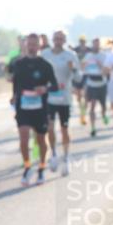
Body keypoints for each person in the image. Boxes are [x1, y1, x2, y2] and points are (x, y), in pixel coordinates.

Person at [10, 33, 59, 186]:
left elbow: (55, 86)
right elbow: (16, 83)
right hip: (23, 106)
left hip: (40, 107)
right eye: (29, 44)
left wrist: (45, 88)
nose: (31, 47)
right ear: (26, 45)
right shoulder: (19, 64)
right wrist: (14, 96)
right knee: (23, 138)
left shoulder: (45, 65)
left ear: (39, 45)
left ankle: (41, 168)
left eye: (34, 44)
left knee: (41, 140)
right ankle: (27, 167)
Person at [41, 29, 81, 174]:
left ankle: (66, 156)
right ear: (53, 40)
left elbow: (78, 78)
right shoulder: (45, 55)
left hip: (65, 98)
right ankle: (53, 154)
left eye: (61, 39)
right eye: (56, 38)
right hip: (50, 97)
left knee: (64, 129)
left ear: (64, 40)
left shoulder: (71, 55)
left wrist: (74, 69)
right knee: (50, 127)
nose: (58, 41)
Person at [83, 36, 109, 136]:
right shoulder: (88, 55)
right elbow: (82, 66)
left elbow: (106, 70)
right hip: (91, 83)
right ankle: (93, 128)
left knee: (103, 106)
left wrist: (100, 65)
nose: (96, 45)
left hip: (101, 83)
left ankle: (104, 115)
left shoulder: (103, 56)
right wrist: (84, 65)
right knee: (92, 106)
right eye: (94, 43)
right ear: (92, 44)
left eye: (98, 44)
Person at [73, 35, 89, 123]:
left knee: (86, 94)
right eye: (81, 41)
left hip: (86, 74)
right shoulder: (75, 50)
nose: (82, 43)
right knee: (78, 96)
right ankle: (81, 109)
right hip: (77, 75)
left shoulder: (89, 50)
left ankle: (83, 113)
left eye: (83, 41)